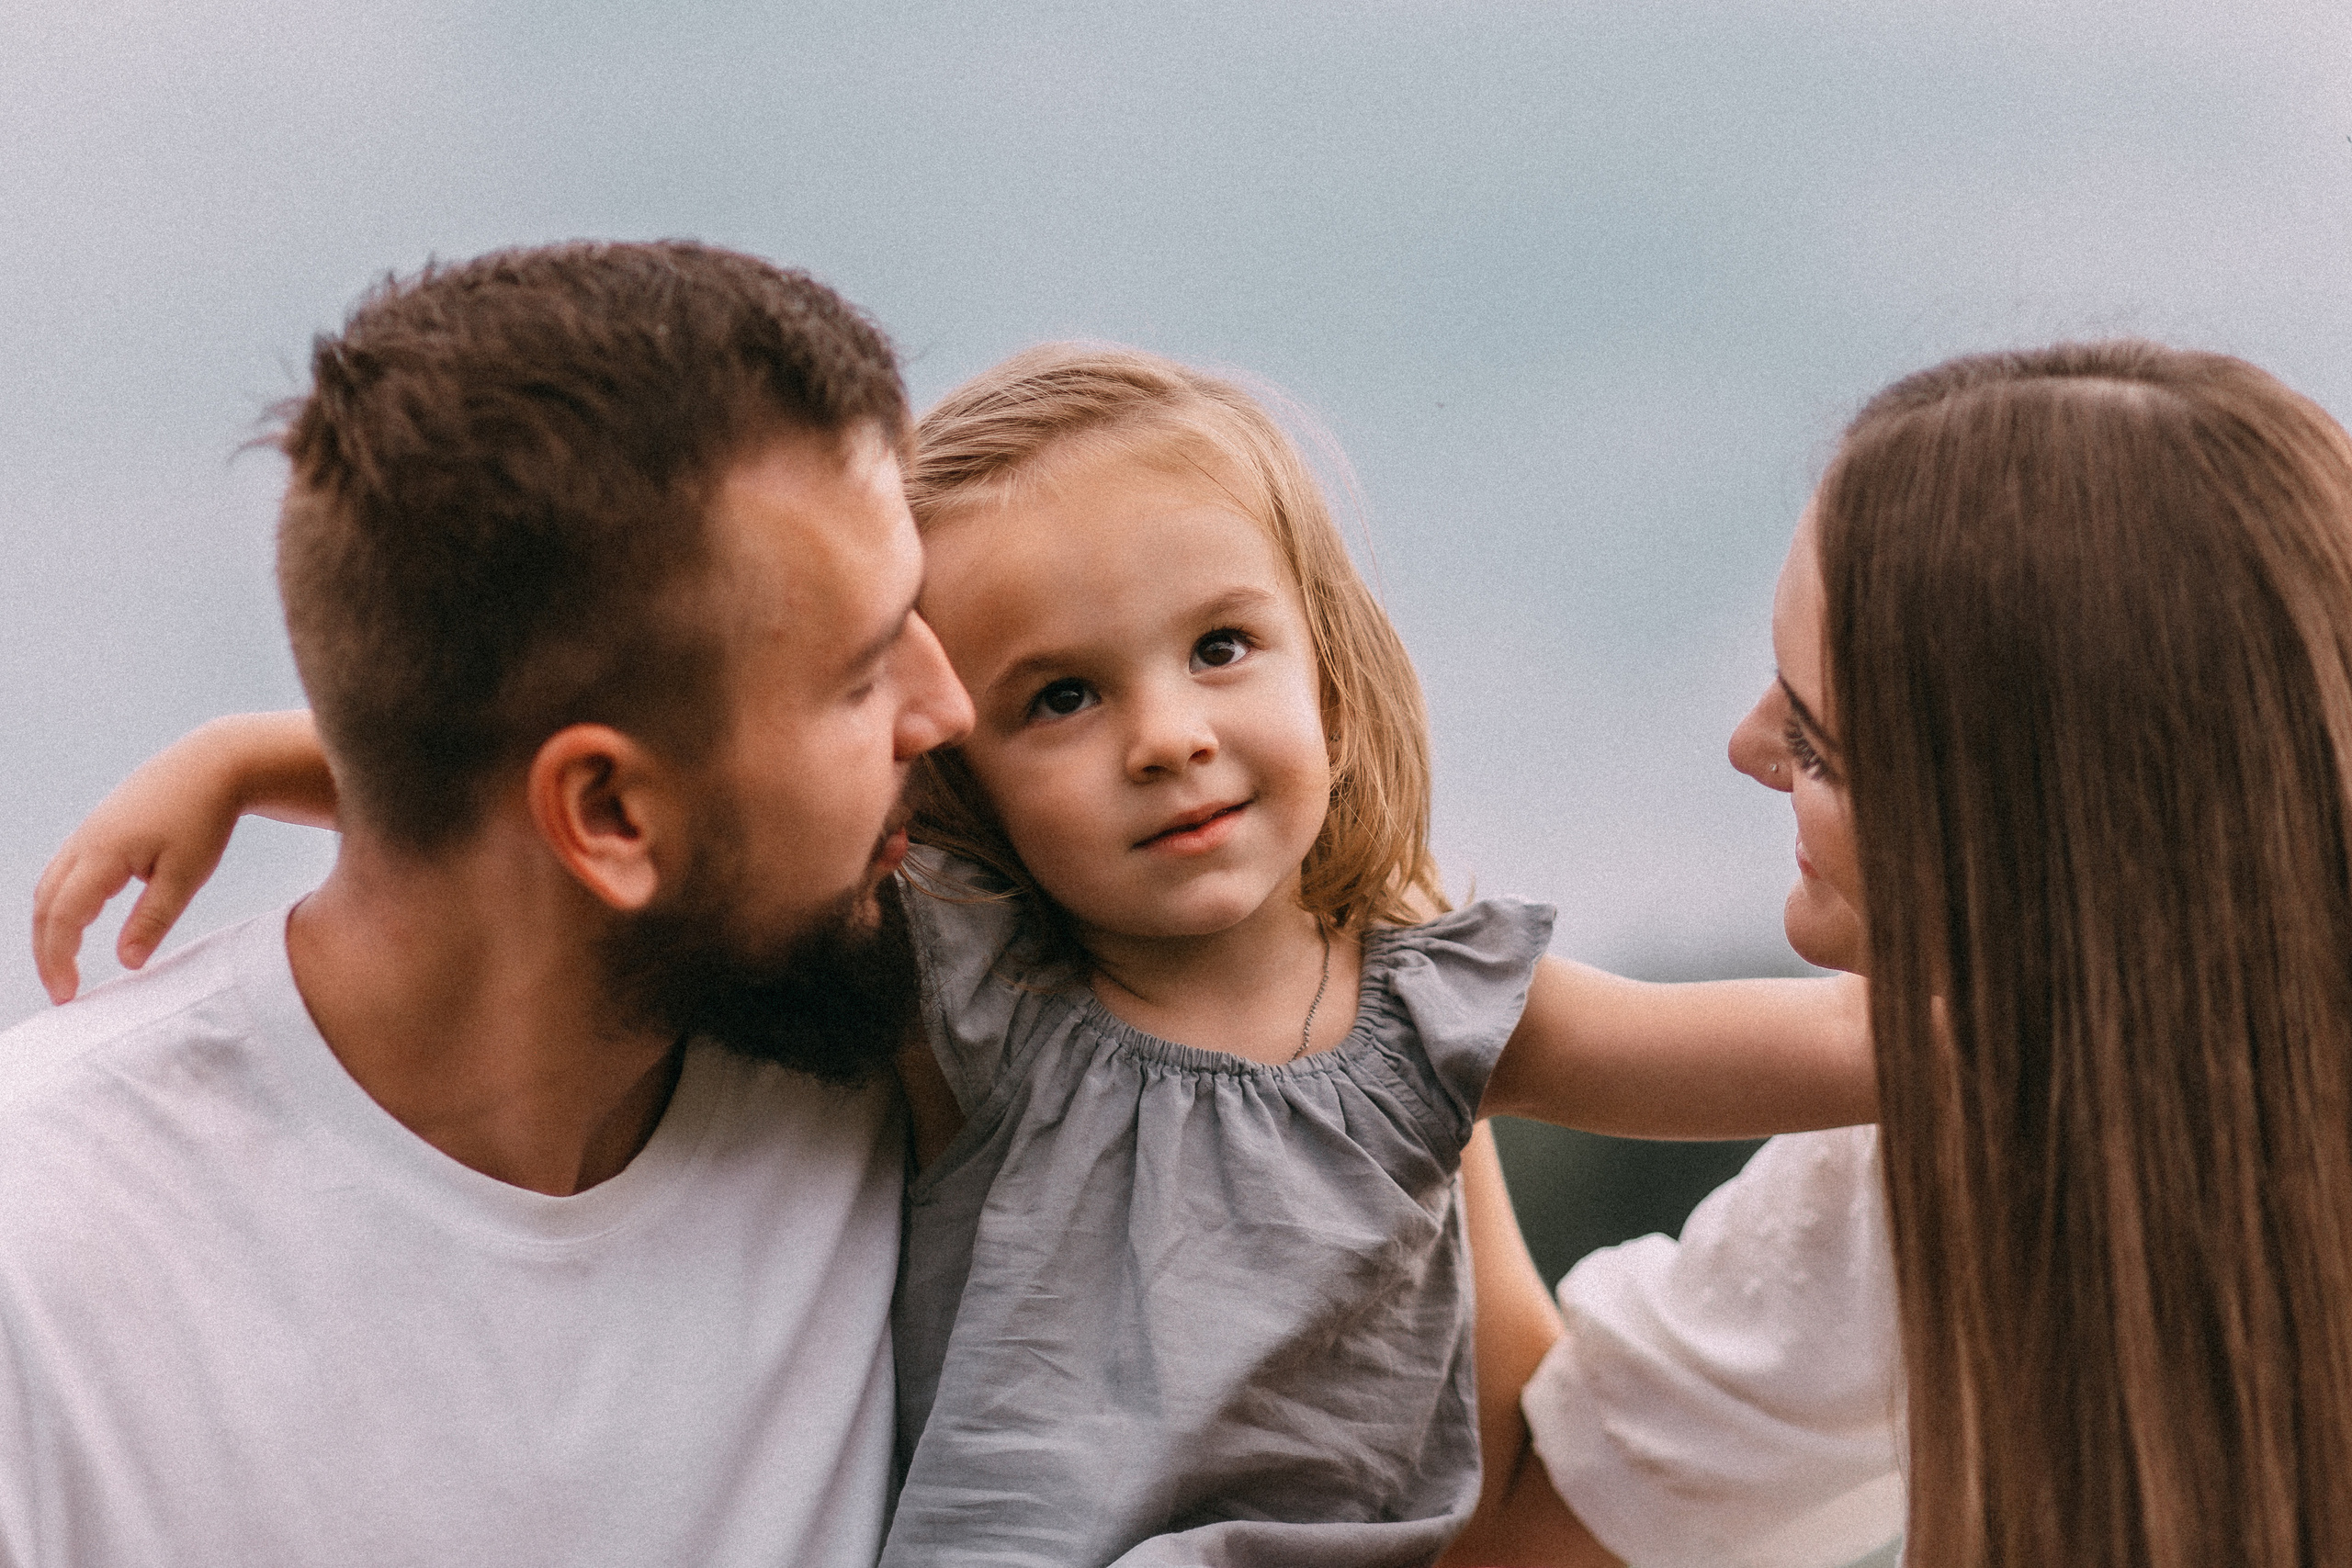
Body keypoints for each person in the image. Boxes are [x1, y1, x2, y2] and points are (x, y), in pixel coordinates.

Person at [33, 344, 1879, 1566]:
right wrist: (268, 753)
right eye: (1060, 696)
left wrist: (2101, 968)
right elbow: (640, 796)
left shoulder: (1431, 991)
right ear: (962, 764)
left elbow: (1792, 1050)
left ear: (1326, 648)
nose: (1165, 731)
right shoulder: (982, 987)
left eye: (1220, 646)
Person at [0, 241, 974, 1565]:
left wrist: (282, 751)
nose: (949, 708)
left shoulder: (887, 1020)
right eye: (863, 678)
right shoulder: (43, 1267)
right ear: (612, 817)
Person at [1490, 340, 2352, 1568]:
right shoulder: (1947, 1131)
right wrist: (1424, 1030)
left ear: (2037, 831)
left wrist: (1427, 1015)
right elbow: (1537, 1521)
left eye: (1822, 745)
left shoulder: (1955, 1127)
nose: (1748, 747)